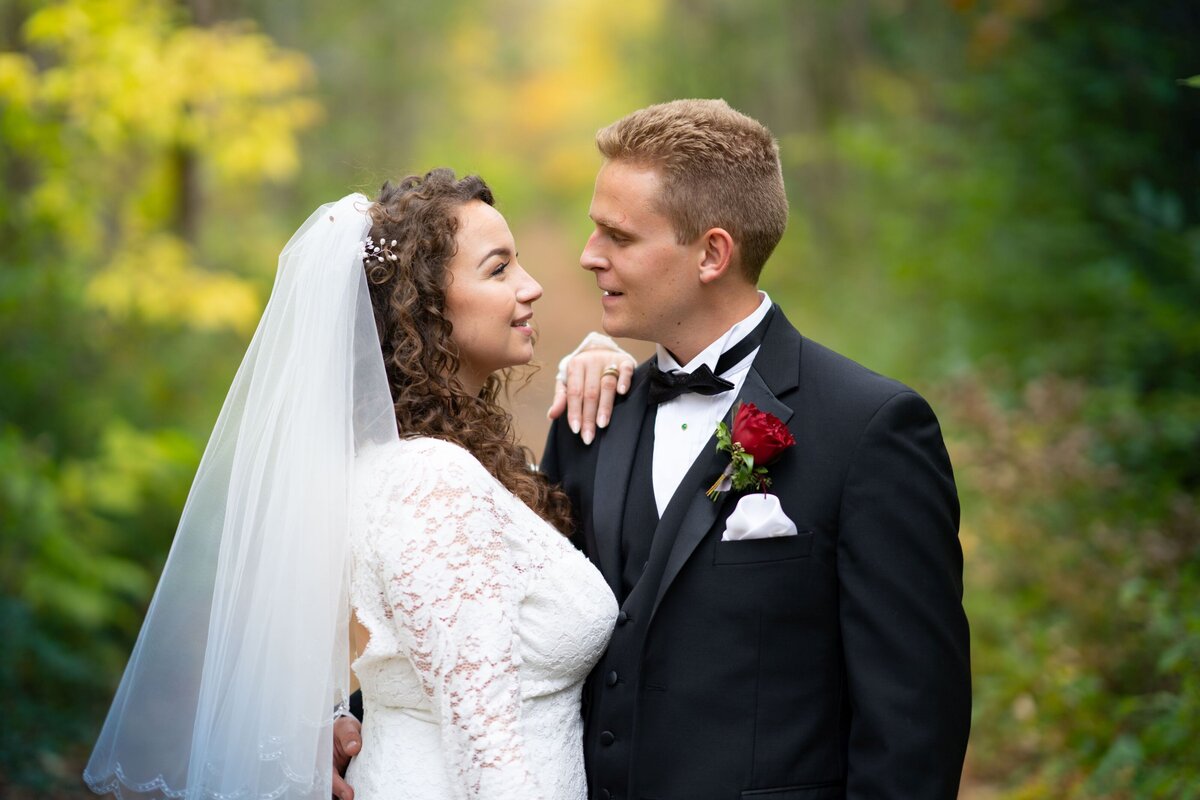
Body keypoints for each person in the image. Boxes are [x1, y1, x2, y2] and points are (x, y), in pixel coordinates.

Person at [338, 100, 971, 799]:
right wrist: (366, 731)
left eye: (618, 235)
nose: (587, 256)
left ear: (711, 253)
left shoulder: (869, 429)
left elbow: (912, 726)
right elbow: (486, 628)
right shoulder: (592, 418)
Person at [83, 170, 626, 800]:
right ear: (425, 308)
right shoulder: (430, 483)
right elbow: (491, 755)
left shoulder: (425, 464)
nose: (531, 287)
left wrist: (607, 360)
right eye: (498, 269)